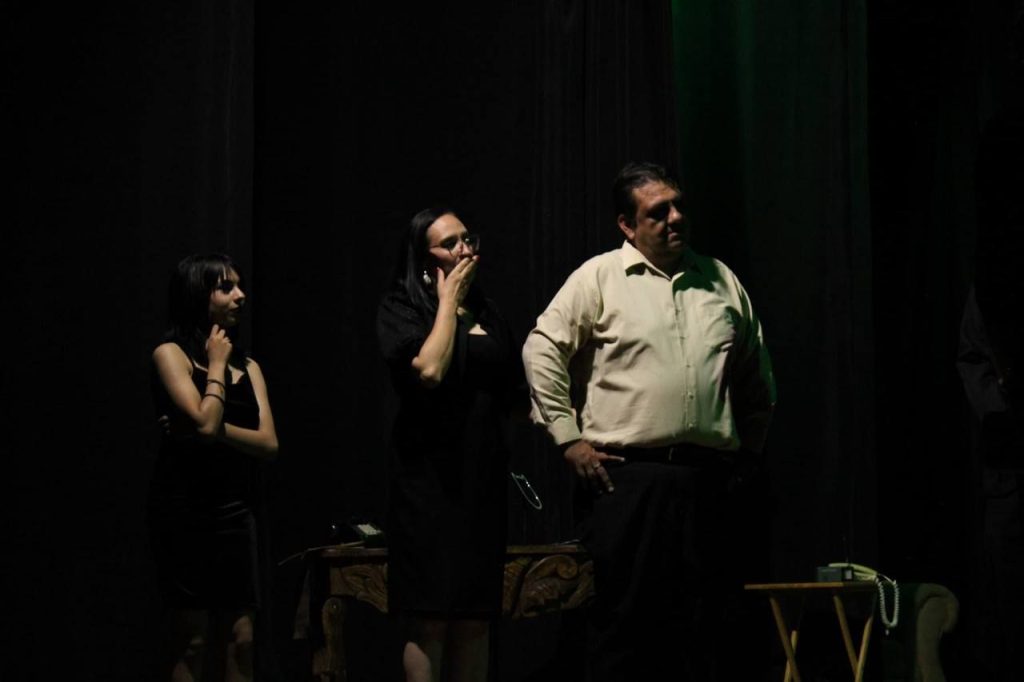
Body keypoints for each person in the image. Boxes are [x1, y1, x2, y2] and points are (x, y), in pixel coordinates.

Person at [522, 162, 776, 681]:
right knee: (623, 627)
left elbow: (757, 375)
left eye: (678, 206)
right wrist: (568, 439)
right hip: (627, 482)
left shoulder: (720, 280)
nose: (675, 218)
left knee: (706, 628)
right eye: (658, 212)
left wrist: (751, 449)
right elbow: (542, 350)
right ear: (627, 225)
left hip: (707, 482)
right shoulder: (599, 278)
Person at [376, 208, 522, 682]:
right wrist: (447, 303)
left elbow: (513, 392)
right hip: (428, 485)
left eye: (468, 239)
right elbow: (430, 370)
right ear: (425, 259)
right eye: (450, 243)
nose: (465, 249)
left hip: (480, 480)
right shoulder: (401, 308)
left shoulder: (487, 311)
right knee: (431, 617)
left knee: (475, 619)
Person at [149, 254, 279, 682]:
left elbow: (267, 443)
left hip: (237, 513)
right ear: (197, 295)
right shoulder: (170, 354)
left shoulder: (250, 366)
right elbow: (206, 422)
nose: (241, 295)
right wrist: (217, 365)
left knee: (243, 638)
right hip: (185, 511)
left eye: (240, 285)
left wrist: (209, 430)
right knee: (194, 639)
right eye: (226, 287)